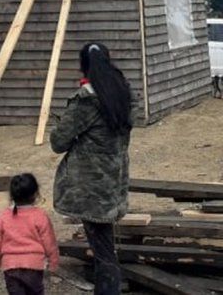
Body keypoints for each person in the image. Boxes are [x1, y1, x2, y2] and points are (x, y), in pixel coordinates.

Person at [50, 43, 132, 295]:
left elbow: (58, 142)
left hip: (90, 183)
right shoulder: (123, 92)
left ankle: (109, 287)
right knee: (103, 236)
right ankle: (109, 281)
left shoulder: (85, 101)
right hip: (114, 176)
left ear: (84, 66)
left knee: (101, 243)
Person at [0, 173, 59, 295]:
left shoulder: (3, 216)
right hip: (34, 266)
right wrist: (53, 262)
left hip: (10, 267)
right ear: (35, 194)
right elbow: (49, 242)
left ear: (12, 195)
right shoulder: (40, 216)